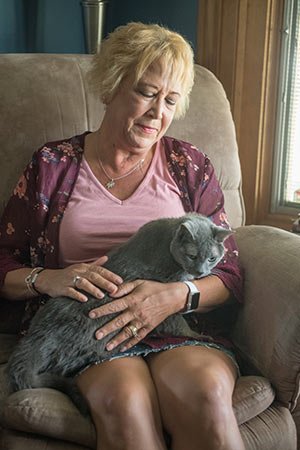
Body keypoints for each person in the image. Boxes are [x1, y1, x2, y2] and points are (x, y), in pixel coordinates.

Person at [0, 22, 245, 450]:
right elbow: (3, 258)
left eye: (170, 100)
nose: (157, 113)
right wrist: (47, 278)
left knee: (206, 392)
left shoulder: (191, 166)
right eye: (146, 93)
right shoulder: (52, 165)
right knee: (126, 400)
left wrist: (175, 296)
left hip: (175, 324)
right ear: (112, 87)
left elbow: (229, 273)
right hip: (91, 327)